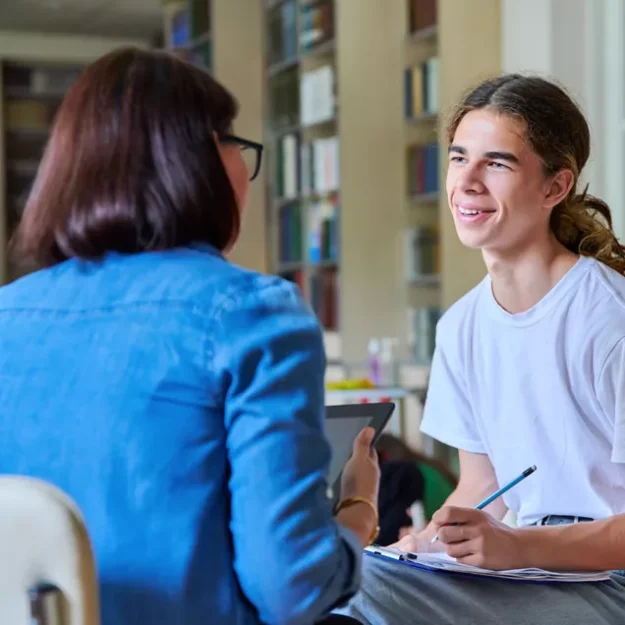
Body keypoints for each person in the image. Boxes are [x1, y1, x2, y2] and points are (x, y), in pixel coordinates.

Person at [0, 47, 379, 625]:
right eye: (233, 141)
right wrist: (355, 517)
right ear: (196, 159)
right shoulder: (254, 314)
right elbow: (290, 590)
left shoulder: (8, 313)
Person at [334, 74, 625, 624]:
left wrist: (521, 548)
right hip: (527, 569)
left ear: (554, 187)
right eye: (458, 158)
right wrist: (423, 542)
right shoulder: (463, 325)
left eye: (497, 163)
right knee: (346, 581)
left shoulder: (609, 318)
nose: (466, 182)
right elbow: (482, 486)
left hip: (608, 581)